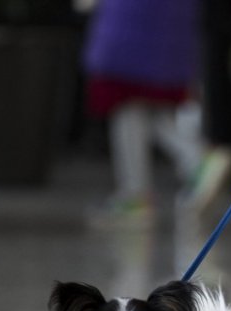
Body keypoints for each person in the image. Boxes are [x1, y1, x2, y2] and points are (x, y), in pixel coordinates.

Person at [81, 0, 202, 228]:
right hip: (161, 23)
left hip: (134, 22)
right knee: (137, 106)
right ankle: (140, 189)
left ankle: (193, 161)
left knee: (125, 98)